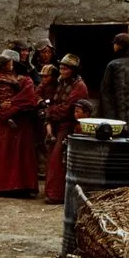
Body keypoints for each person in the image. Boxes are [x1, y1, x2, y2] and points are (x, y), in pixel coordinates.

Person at [0, 49, 40, 198]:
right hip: (1, 123)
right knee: (1, 153)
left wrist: (9, 107)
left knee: (19, 155)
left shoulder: (24, 80)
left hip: (19, 122)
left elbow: (28, 99)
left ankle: (21, 187)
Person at [42, 53, 89, 204]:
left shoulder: (79, 86)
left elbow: (67, 108)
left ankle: (58, 194)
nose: (62, 71)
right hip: (57, 125)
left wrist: (50, 112)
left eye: (65, 68)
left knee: (59, 160)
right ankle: (52, 192)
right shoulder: (61, 82)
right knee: (52, 158)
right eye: (61, 68)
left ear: (73, 70)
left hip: (68, 126)